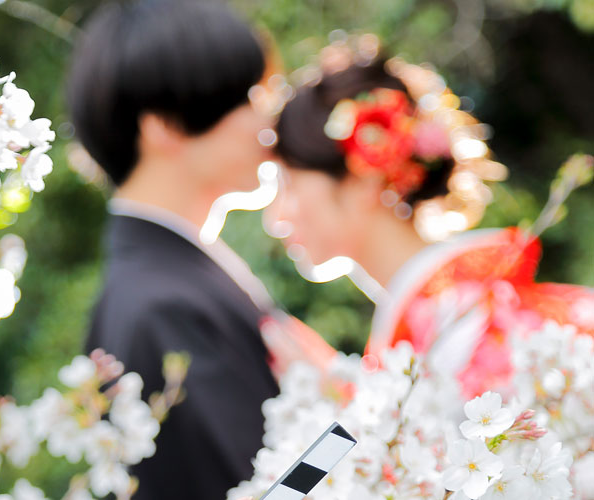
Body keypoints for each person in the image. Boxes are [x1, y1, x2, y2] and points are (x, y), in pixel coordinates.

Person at [67, 1, 310, 498]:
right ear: (164, 125)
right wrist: (361, 423)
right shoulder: (159, 307)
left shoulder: (171, 277)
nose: (267, 119)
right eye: (247, 96)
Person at [266, 36, 594, 398]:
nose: (276, 217)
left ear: (364, 177)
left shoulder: (467, 325)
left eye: (288, 184)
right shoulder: (436, 322)